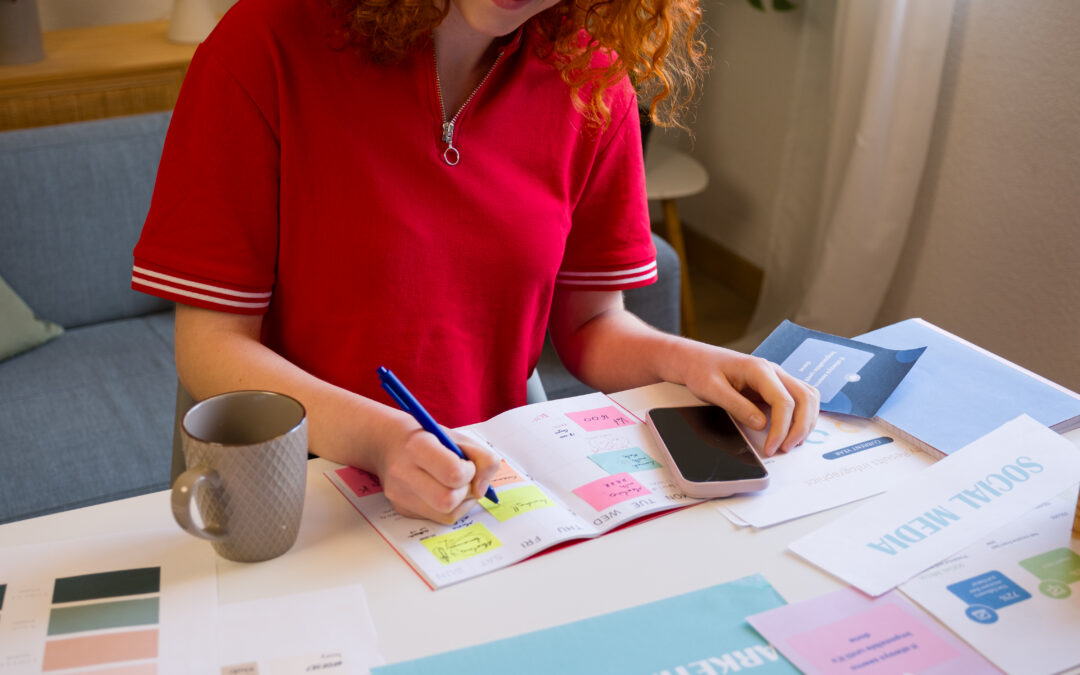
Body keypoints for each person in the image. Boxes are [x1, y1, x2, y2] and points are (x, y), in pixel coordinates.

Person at [132, 0, 819, 525]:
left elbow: (589, 325)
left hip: (476, 477)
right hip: (290, 475)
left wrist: (690, 361)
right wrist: (383, 440)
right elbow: (211, 346)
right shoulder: (266, 43)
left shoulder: (589, 75)